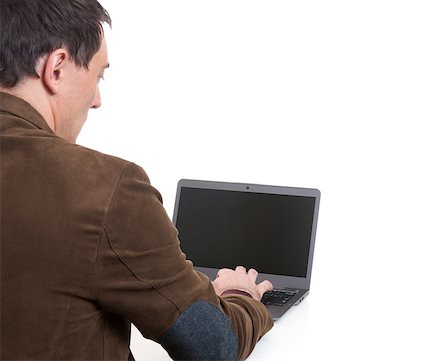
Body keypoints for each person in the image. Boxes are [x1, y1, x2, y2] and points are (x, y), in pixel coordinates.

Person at [0, 0, 273, 360]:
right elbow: (213, 346)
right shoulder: (105, 189)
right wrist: (240, 296)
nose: (96, 100)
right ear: (57, 68)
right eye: (98, 76)